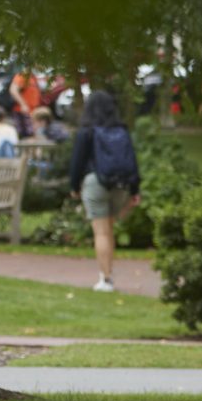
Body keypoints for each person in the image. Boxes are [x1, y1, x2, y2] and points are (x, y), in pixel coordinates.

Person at [68, 90, 141, 293]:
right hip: (120, 185)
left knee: (101, 232)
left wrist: (74, 187)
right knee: (109, 230)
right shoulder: (121, 131)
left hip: (95, 182)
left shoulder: (86, 132)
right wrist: (135, 189)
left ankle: (105, 279)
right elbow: (132, 161)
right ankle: (108, 275)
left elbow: (77, 163)